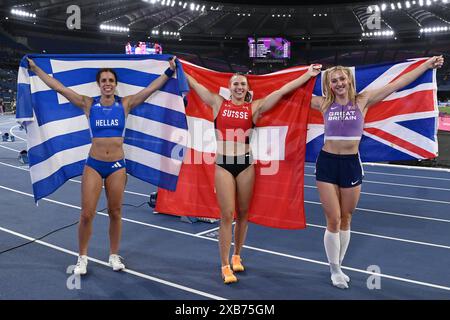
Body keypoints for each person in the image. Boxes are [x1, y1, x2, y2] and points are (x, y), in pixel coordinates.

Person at [27, 56, 177, 275]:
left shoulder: (125, 104)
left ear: (115, 84)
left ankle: (114, 255)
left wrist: (170, 71)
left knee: (115, 212)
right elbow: (60, 88)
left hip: (117, 165)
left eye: (111, 80)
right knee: (87, 214)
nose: (107, 83)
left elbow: (150, 90)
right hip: (94, 165)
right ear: (99, 84)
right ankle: (82, 257)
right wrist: (36, 69)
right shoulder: (89, 104)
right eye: (104, 80)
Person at [310, 55, 444, 289]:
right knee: (333, 218)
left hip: (351, 163)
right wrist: (303, 74)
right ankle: (335, 270)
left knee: (346, 218)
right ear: (328, 85)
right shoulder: (323, 104)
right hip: (327, 163)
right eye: (334, 81)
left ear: (349, 81)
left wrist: (425, 65)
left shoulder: (363, 100)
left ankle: (338, 263)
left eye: (342, 79)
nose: (339, 83)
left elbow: (397, 85)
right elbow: (290, 94)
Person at [186, 64, 321, 284]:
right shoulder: (217, 103)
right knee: (227, 214)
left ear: (247, 88)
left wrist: (307, 75)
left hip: (246, 164)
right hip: (223, 163)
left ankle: (237, 254)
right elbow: (196, 84)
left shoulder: (254, 108)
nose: (239, 87)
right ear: (229, 87)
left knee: (243, 213)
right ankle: (224, 265)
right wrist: (179, 68)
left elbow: (281, 91)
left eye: (242, 84)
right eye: (235, 84)